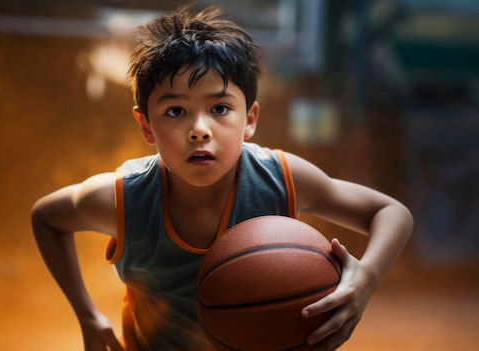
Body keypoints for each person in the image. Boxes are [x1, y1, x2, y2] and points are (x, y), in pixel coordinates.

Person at [31, 5, 413, 351]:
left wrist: (365, 280)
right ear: (146, 126)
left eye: (219, 108)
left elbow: (391, 212)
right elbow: (46, 217)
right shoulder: (124, 199)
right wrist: (88, 314)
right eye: (176, 111)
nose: (199, 129)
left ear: (249, 119)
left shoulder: (279, 178)